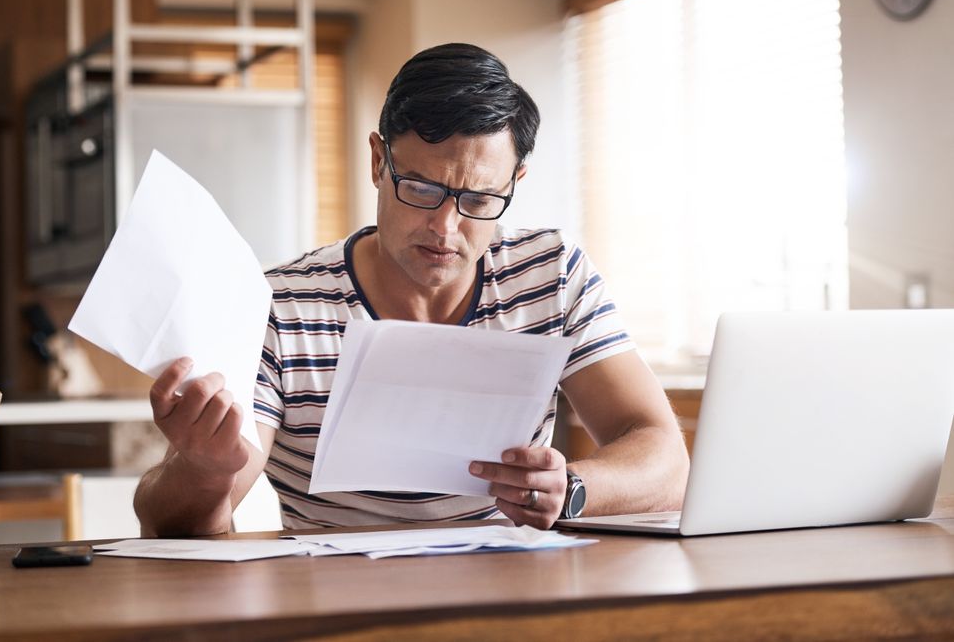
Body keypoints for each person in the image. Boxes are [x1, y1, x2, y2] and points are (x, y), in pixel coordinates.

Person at [134, 43, 689, 535]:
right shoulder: (282, 304)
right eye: (422, 188)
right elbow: (177, 525)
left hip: (513, 594)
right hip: (335, 605)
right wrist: (205, 470)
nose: (446, 228)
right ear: (379, 162)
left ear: (515, 183)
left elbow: (666, 458)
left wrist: (571, 486)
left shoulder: (550, 272)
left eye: (478, 200)